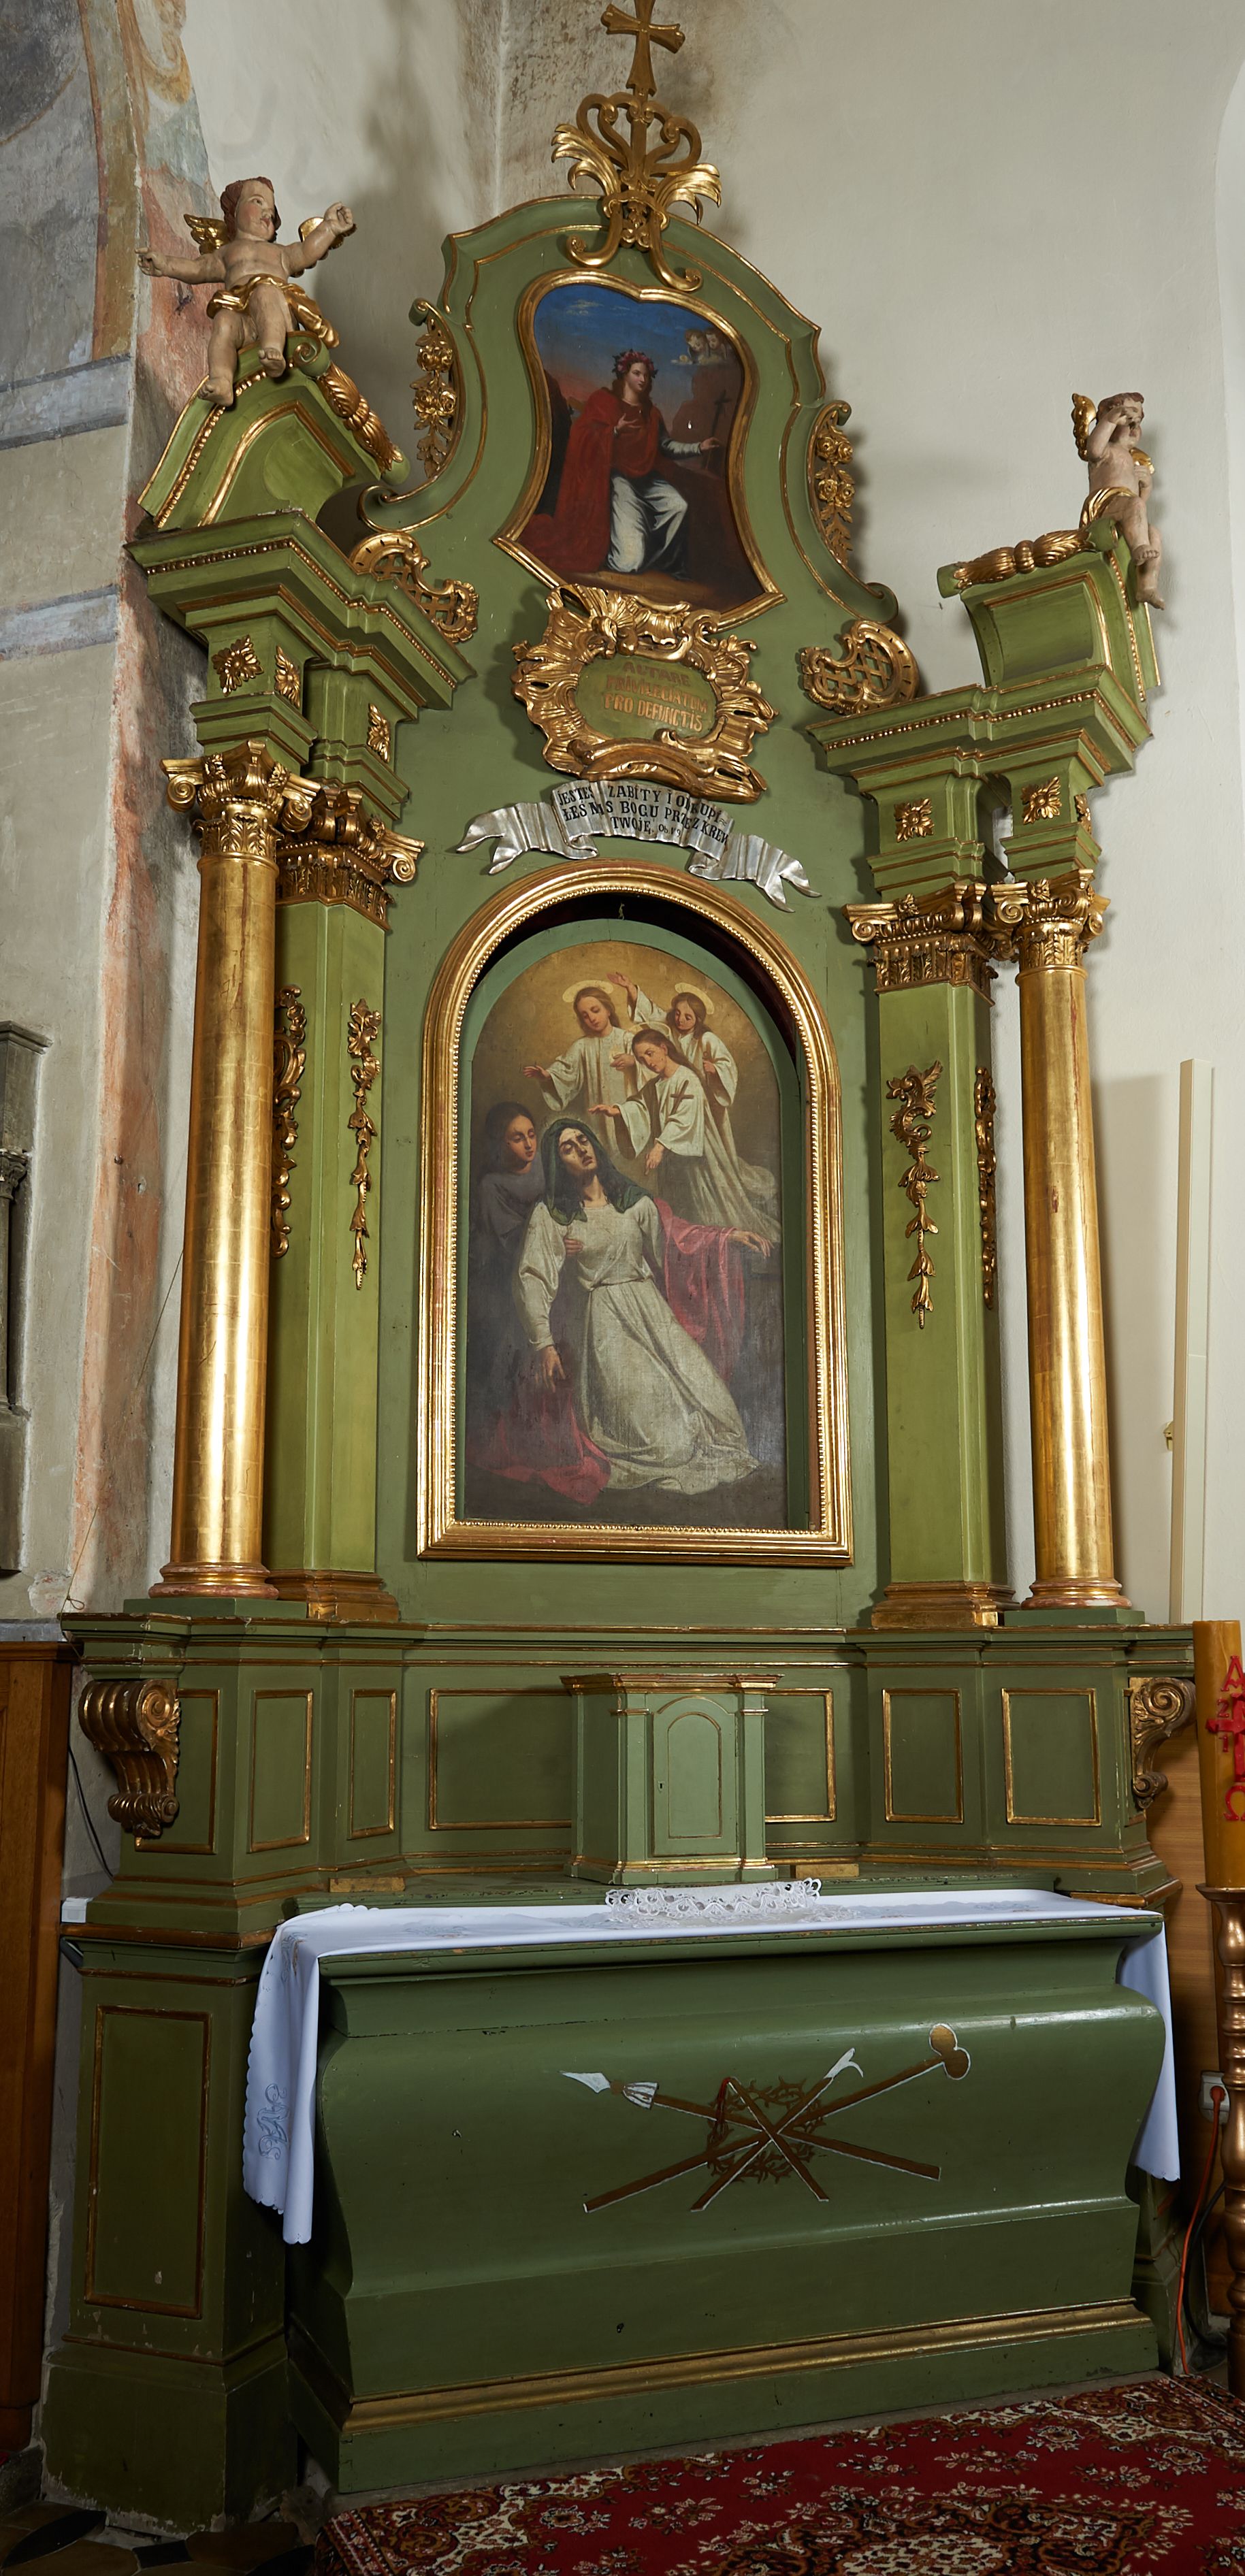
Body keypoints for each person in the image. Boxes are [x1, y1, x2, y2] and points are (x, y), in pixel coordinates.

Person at [504, 1122, 769, 1501]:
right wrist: (544, 1344)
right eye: (567, 1148)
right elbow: (533, 1277)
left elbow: (676, 1241)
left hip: (654, 1316)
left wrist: (726, 1238)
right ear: (557, 1163)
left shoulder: (633, 1202)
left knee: (721, 1416)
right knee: (667, 1446)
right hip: (605, 1326)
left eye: (583, 1140)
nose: (581, 1150)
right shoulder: (554, 1216)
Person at [139, 178, 354, 406]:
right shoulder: (227, 253)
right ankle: (222, 381)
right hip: (240, 317)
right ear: (235, 212)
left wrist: (330, 227)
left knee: (264, 292)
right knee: (223, 321)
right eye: (258, 202)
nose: (267, 213)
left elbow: (306, 251)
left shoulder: (280, 253)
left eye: (272, 211)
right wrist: (165, 265)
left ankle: (273, 351)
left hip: (275, 316)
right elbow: (198, 268)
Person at [526, 350, 720, 581]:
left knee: (678, 506)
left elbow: (666, 446)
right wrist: (614, 431)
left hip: (647, 479)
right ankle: (623, 554)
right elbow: (582, 434)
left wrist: (699, 447)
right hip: (620, 479)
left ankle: (659, 561)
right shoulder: (604, 401)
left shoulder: (652, 414)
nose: (642, 379)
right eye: (637, 373)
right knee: (628, 563)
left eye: (646, 375)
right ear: (624, 374)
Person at [596, 1026, 780, 1243]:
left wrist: (659, 1147)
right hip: (670, 1161)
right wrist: (618, 1111)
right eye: (642, 1059)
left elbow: (685, 1118)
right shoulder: (656, 1084)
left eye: (650, 1054)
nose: (648, 1062)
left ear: (664, 1048)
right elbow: (641, 1106)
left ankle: (711, 1246)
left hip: (693, 1161)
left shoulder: (687, 1078)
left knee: (697, 1208)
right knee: (674, 1211)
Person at [466, 1103, 545, 1439]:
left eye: (531, 1135)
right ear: (501, 1143)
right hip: (506, 1278)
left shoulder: (544, 1168)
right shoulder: (491, 1185)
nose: (528, 1144)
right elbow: (509, 1242)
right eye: (517, 1138)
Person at [524, 973, 657, 1139]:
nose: (592, 1018)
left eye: (595, 1010)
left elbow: (654, 1069)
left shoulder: (628, 1039)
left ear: (608, 1010)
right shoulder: (582, 1046)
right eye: (585, 1016)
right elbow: (565, 1070)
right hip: (596, 1117)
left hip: (628, 1114)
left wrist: (633, 1062)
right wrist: (548, 1076)